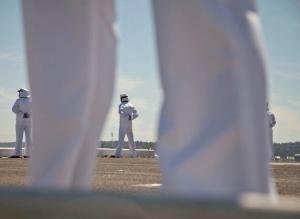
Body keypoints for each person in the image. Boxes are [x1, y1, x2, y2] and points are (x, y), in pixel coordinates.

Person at [22, 0, 275, 198]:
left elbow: (134, 113)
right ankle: (52, 195)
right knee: (63, 14)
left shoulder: (126, 105)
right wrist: (130, 114)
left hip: (126, 123)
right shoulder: (126, 104)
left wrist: (130, 115)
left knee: (205, 12)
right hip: (125, 123)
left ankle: (220, 194)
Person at [11, 88, 32, 158]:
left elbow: (13, 109)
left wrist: (20, 112)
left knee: (19, 137)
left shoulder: (18, 100)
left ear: (22, 93)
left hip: (20, 121)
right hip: (29, 120)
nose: (19, 93)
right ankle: (29, 154)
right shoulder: (31, 100)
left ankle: (17, 154)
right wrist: (28, 113)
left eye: (19, 92)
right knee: (28, 137)